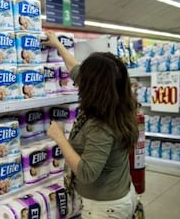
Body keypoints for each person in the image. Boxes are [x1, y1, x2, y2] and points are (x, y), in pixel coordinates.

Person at [42, 31, 139, 219]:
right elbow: (76, 69)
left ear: (93, 88)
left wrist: (60, 138)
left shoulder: (101, 125)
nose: (79, 82)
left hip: (106, 209)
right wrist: (58, 45)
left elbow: (87, 173)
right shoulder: (118, 102)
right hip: (120, 193)